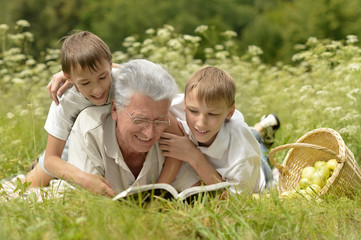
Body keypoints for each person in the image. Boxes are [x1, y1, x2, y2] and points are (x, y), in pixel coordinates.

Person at [25, 31, 185, 196]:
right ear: (69, 78)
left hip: (103, 138)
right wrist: (83, 178)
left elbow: (177, 135)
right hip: (70, 138)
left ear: (110, 66)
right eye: (85, 82)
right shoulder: (66, 99)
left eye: (102, 77)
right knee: (30, 185)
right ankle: (30, 171)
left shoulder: (123, 82)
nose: (98, 89)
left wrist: (159, 191)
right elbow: (52, 159)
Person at [66, 59, 199, 193]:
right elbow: (88, 201)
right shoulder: (89, 129)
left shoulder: (171, 134)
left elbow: (196, 191)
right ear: (114, 109)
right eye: (140, 120)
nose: (150, 134)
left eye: (159, 121)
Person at [159, 66, 280, 193]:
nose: (200, 123)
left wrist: (194, 156)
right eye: (193, 111)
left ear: (230, 112)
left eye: (212, 114)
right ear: (184, 103)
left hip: (256, 172)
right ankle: (259, 128)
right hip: (230, 130)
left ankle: (260, 129)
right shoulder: (180, 103)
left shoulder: (243, 152)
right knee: (250, 133)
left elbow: (233, 201)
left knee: (258, 150)